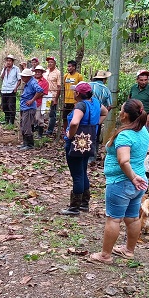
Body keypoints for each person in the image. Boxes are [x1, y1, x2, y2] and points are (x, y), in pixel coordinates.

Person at [90, 99, 149, 263]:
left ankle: (105, 255)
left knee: (114, 219)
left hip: (122, 182)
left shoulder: (125, 135)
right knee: (132, 218)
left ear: (125, 115)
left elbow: (123, 161)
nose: (120, 112)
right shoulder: (143, 131)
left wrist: (132, 177)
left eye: (122, 110)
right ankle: (129, 251)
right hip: (139, 183)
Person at [60, 83, 108, 215]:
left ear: (77, 93)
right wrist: (95, 125)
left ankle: (74, 207)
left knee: (77, 174)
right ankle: (84, 204)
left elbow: (75, 122)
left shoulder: (80, 106)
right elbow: (105, 112)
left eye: (74, 91)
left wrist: (70, 135)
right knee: (82, 171)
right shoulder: (96, 102)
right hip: (88, 142)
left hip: (76, 143)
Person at [89, 70, 114, 163]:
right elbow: (110, 105)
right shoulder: (106, 90)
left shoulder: (88, 85)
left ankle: (83, 154)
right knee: (95, 135)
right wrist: (104, 113)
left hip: (85, 113)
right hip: (98, 116)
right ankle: (92, 157)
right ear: (104, 79)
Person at [18, 69, 43, 150]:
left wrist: (32, 100)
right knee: (23, 125)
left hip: (29, 108)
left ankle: (29, 144)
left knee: (27, 126)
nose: (22, 77)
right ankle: (25, 143)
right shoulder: (28, 83)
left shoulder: (32, 83)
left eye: (23, 76)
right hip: (24, 107)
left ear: (28, 77)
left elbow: (40, 90)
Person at [0, 54, 21, 126]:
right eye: (7, 61)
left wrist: (16, 88)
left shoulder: (16, 69)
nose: (8, 62)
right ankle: (6, 120)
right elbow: (2, 77)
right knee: (5, 106)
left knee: (11, 106)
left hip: (11, 90)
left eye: (10, 61)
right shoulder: (4, 69)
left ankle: (11, 122)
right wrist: (4, 69)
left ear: (12, 62)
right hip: (4, 89)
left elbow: (19, 80)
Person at [62, 60, 84, 124]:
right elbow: (64, 88)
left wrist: (78, 101)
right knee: (65, 118)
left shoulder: (79, 76)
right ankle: (65, 130)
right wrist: (63, 100)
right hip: (66, 101)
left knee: (74, 118)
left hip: (75, 101)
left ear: (74, 67)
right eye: (68, 66)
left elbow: (81, 88)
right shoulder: (66, 76)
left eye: (70, 66)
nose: (68, 68)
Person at [44, 56, 62, 135]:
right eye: (49, 62)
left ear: (55, 63)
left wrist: (56, 99)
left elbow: (59, 87)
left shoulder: (58, 73)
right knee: (45, 112)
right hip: (45, 96)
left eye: (51, 62)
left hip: (53, 96)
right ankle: (43, 128)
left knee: (52, 113)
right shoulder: (46, 71)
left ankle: (50, 131)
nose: (50, 63)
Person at [33, 65, 49, 137]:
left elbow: (43, 92)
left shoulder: (45, 82)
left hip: (39, 101)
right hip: (31, 102)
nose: (37, 73)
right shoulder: (32, 80)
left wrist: (34, 97)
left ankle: (40, 134)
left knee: (39, 117)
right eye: (36, 71)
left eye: (39, 72)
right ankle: (31, 132)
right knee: (32, 117)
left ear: (42, 72)